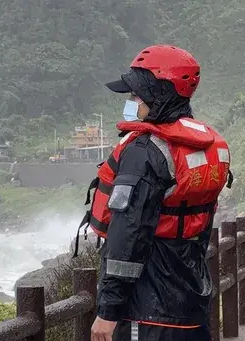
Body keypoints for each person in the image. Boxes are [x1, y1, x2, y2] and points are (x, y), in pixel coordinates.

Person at [78, 44, 233, 341]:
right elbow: (200, 230)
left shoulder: (145, 151)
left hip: (145, 311)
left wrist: (108, 311)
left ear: (158, 93)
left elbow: (129, 236)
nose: (131, 101)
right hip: (192, 302)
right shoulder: (205, 148)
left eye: (136, 95)